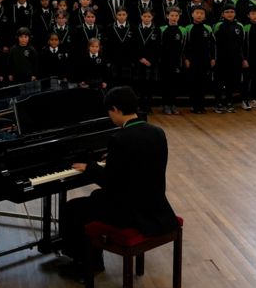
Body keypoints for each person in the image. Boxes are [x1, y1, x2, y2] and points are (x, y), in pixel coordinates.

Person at [60, 86, 179, 271]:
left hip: (130, 213)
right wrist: (115, 159)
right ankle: (91, 259)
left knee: (73, 208)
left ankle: (86, 264)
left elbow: (109, 182)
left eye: (110, 113)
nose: (110, 117)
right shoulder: (157, 132)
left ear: (115, 109)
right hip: (155, 206)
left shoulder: (120, 138)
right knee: (94, 198)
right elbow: (141, 162)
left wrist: (90, 167)